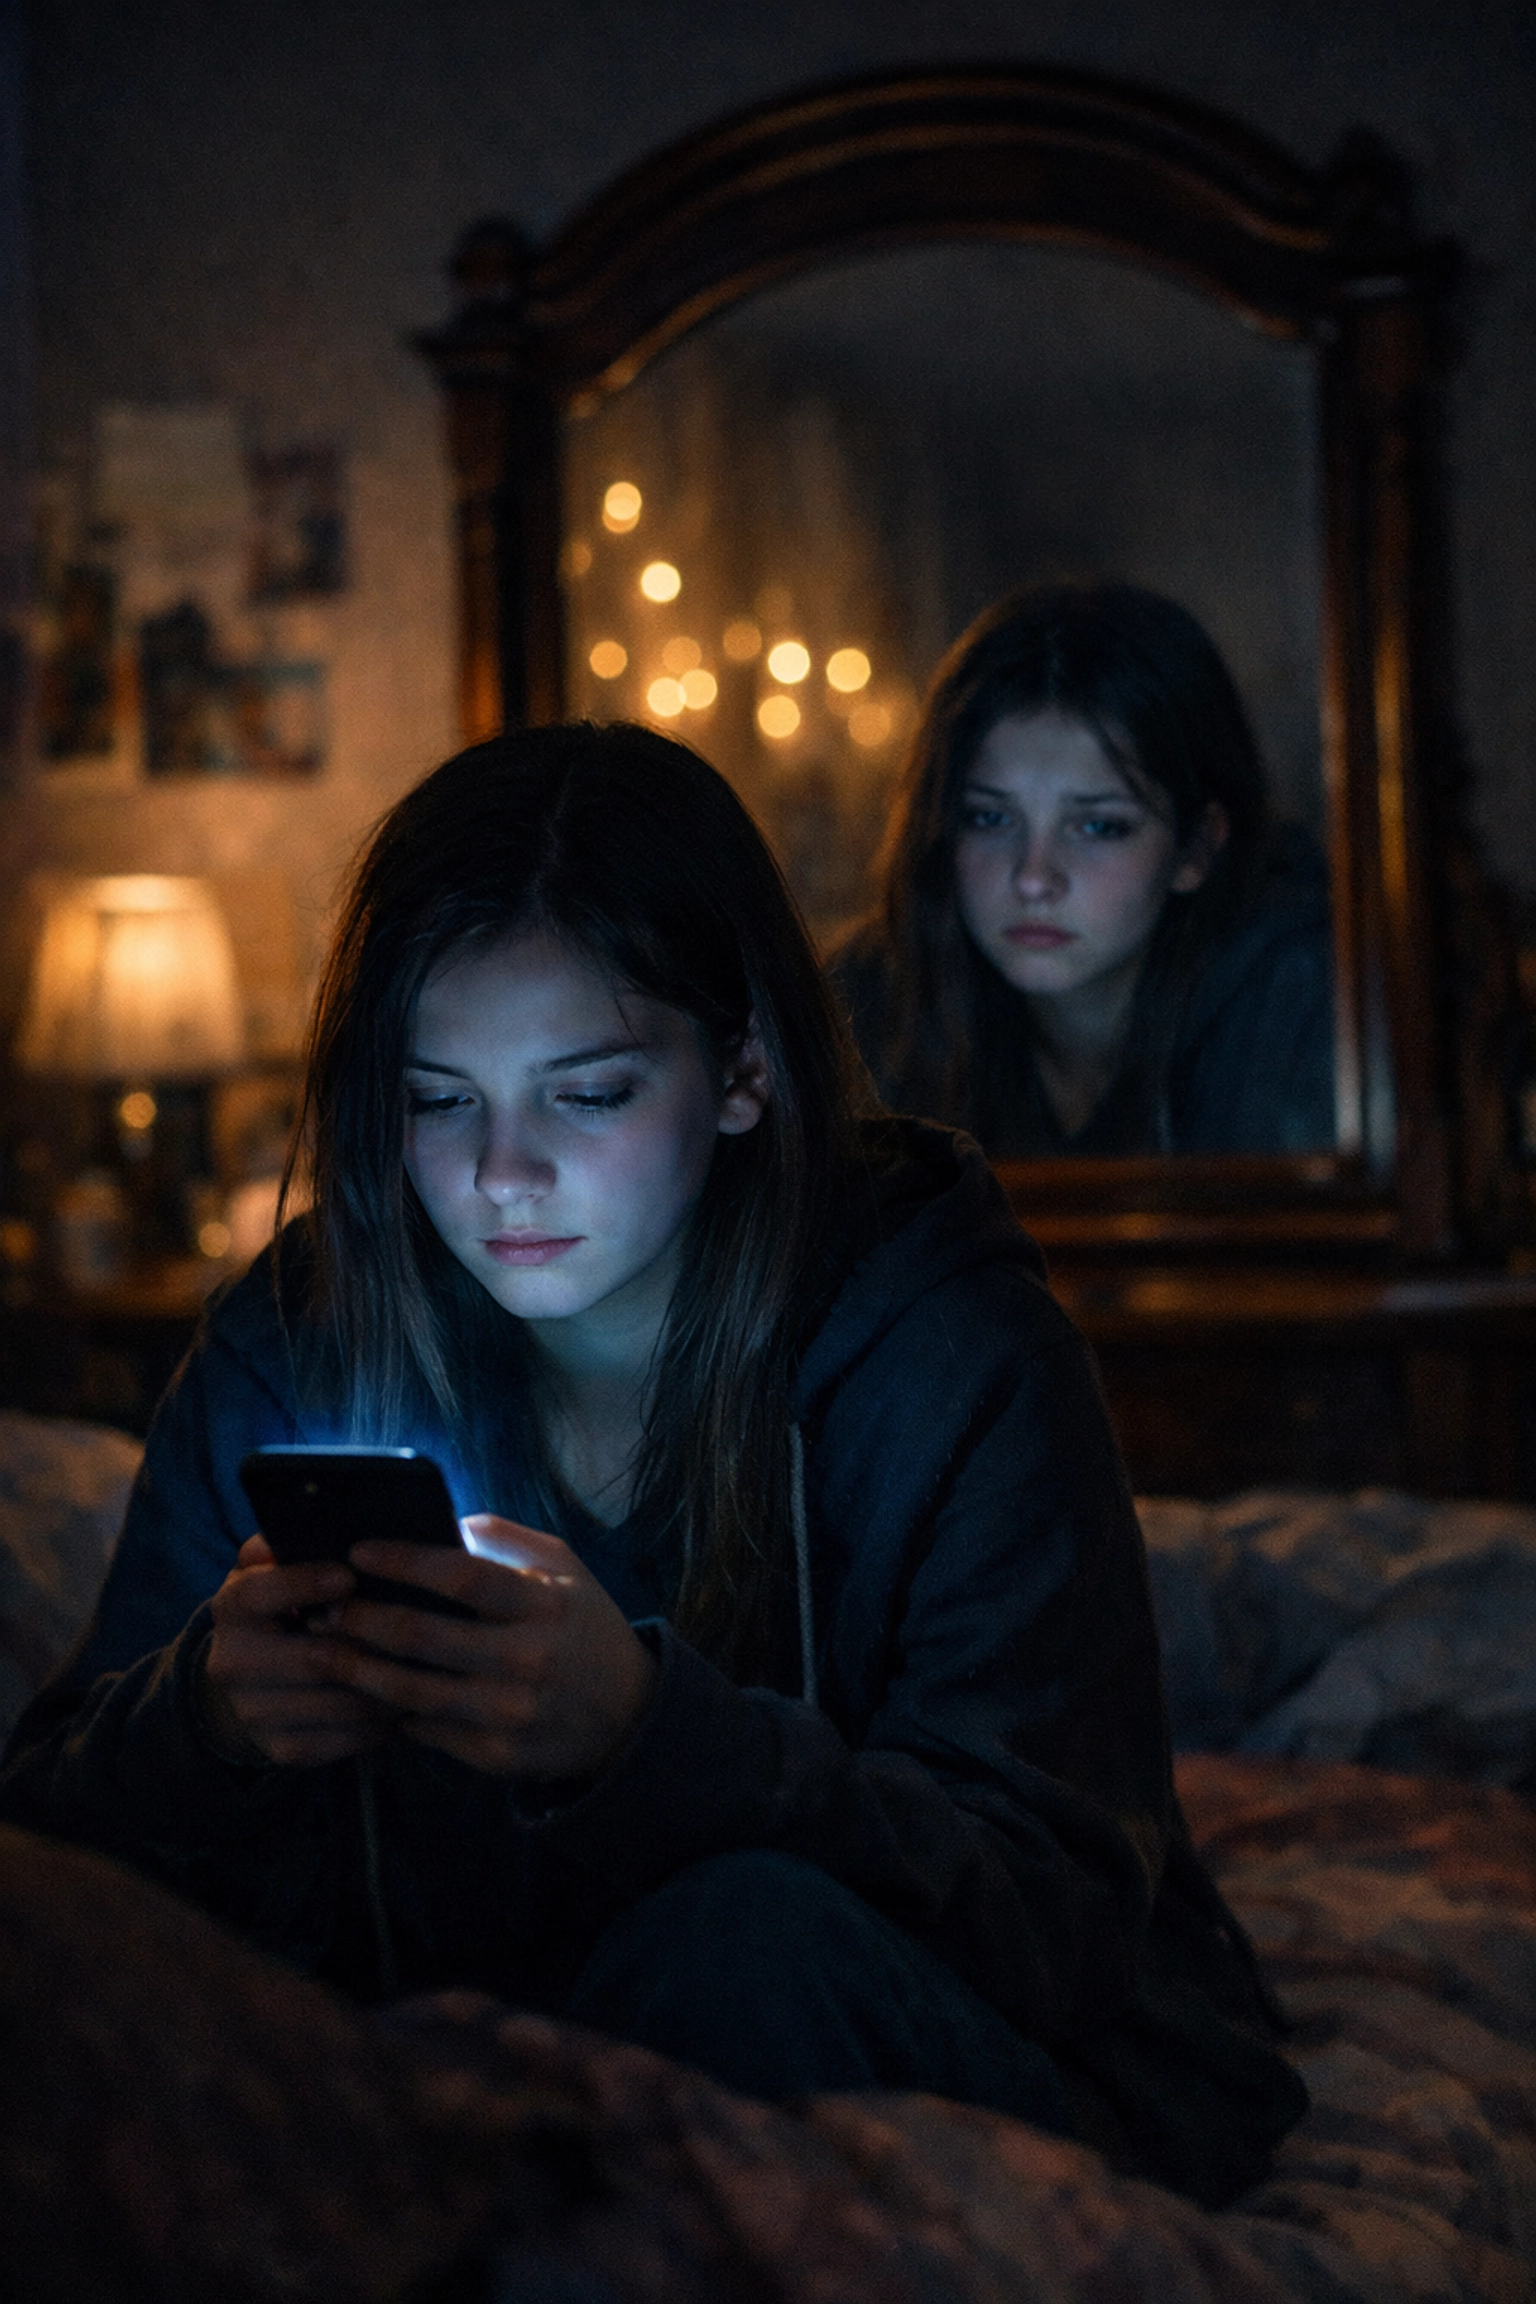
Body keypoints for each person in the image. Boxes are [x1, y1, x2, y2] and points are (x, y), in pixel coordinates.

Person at [0, 722, 1305, 2207]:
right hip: (479, 2033)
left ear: (740, 1068)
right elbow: (47, 1842)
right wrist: (209, 1721)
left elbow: (1052, 1917)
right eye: (439, 1100)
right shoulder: (298, 1339)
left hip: (978, 2035)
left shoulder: (948, 1347)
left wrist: (642, 1734)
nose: (502, 1172)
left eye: (589, 1091)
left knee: (734, 1947)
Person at [832, 582, 1335, 1156]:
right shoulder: (868, 1006)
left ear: (1196, 848)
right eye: (991, 817)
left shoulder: (1298, 997)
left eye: (1098, 826)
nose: (1033, 877)